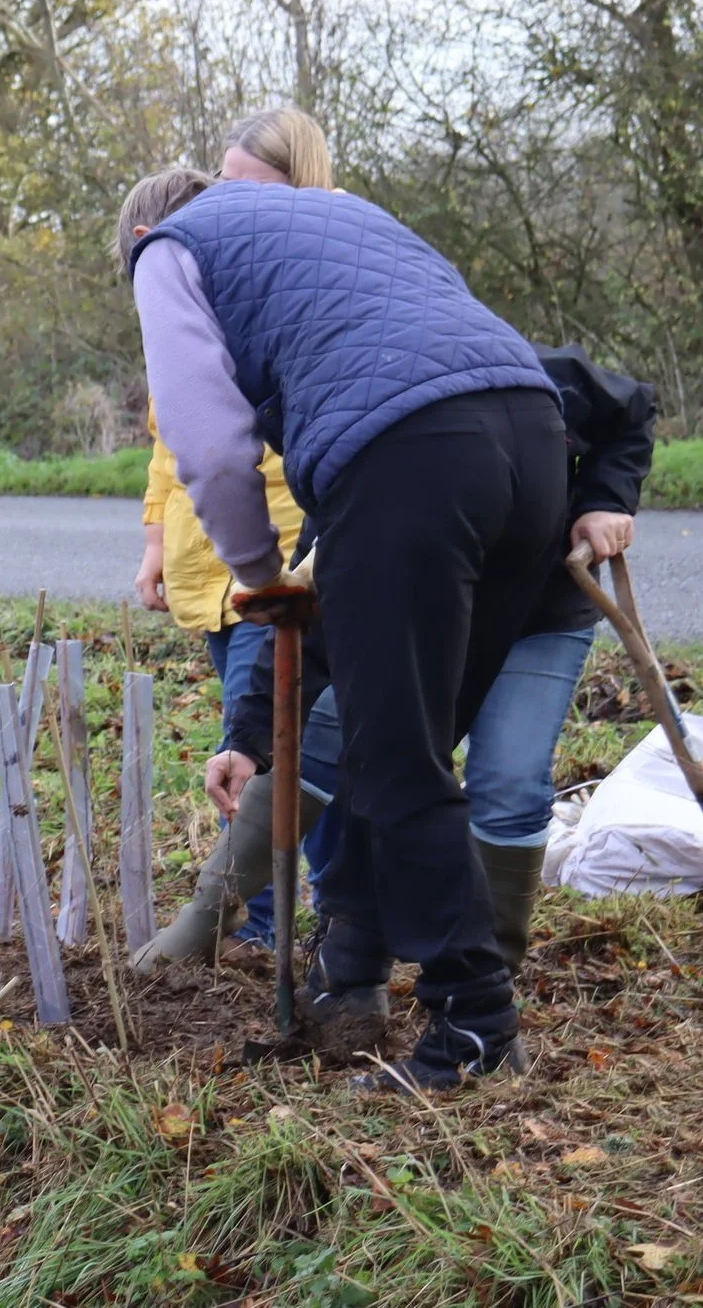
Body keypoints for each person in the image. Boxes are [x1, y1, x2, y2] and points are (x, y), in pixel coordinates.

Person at [126, 159, 568, 1090]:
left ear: (137, 241)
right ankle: (351, 969)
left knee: (394, 754)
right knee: (407, 738)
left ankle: (474, 1028)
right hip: (530, 433)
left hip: (410, 453)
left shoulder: (166, 250)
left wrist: (258, 578)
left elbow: (206, 445)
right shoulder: (342, 218)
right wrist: (262, 703)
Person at [158, 343, 656, 984]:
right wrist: (250, 739)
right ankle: (208, 916)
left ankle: (485, 983)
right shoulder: (350, 457)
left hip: (537, 617)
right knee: (323, 733)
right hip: (422, 619)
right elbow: (308, 615)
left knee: (508, 783)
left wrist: (606, 497)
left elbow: (632, 407)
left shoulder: (524, 377)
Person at [130, 108, 343, 964]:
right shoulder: (184, 322)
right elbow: (170, 448)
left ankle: (294, 916)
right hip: (208, 576)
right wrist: (153, 547)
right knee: (251, 735)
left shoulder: (284, 299)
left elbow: (246, 449)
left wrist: (270, 568)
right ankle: (266, 918)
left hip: (280, 565)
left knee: (275, 748)